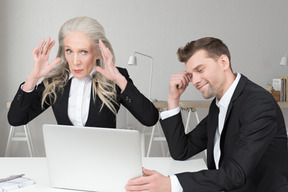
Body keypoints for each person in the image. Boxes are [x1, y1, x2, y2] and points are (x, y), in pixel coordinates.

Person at [126, 37, 288, 192]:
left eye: (200, 70)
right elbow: (181, 151)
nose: (195, 81)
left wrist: (171, 184)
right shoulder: (218, 105)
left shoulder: (257, 103)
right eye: (190, 75)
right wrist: (173, 98)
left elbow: (236, 174)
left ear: (223, 62)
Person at [8, 16, 158, 129]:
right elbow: (16, 120)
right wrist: (32, 78)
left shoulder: (115, 78)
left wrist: (120, 81)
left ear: (98, 52)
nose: (75, 61)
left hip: (105, 163)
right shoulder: (56, 81)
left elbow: (150, 119)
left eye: (83, 52)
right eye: (69, 51)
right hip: (67, 164)